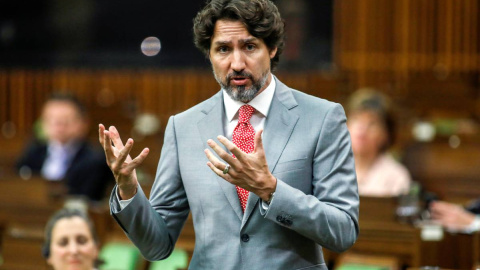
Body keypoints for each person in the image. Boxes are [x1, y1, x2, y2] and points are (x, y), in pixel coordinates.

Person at [100, 0, 359, 269]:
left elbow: (343, 231)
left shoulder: (322, 117)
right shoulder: (183, 127)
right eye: (223, 49)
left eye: (249, 47)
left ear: (271, 48)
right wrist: (129, 188)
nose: (236, 63)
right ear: (209, 55)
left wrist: (270, 190)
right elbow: (157, 246)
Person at [16, 93, 113, 202]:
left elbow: (88, 196)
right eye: (52, 119)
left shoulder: (95, 159)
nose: (59, 126)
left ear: (84, 122)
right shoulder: (34, 151)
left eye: (66, 120)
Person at [346, 89, 411, 197]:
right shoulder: (329, 167)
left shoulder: (396, 177)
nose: (362, 129)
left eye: (372, 123)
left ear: (386, 134)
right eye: (357, 120)